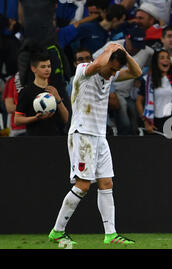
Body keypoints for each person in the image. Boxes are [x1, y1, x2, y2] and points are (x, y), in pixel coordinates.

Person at [48, 43, 142, 245]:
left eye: (116, 70)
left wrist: (123, 52)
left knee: (106, 183)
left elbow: (137, 72)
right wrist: (109, 48)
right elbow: (96, 65)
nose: (113, 74)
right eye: (112, 68)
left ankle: (111, 234)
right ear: (105, 61)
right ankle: (57, 231)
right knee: (82, 186)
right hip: (82, 134)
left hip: (100, 136)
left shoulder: (110, 74)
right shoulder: (84, 71)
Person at [93, 27, 154, 135]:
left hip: (129, 93)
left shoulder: (147, 51)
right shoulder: (113, 46)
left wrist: (141, 78)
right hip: (111, 89)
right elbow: (94, 61)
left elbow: (155, 64)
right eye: (134, 45)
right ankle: (120, 137)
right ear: (127, 38)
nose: (136, 49)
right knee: (125, 119)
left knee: (134, 117)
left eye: (139, 46)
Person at [14, 52, 69, 136]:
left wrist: (58, 98)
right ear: (33, 69)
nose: (47, 69)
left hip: (57, 138)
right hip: (36, 139)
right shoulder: (26, 91)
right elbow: (17, 120)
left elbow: (66, 119)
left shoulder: (56, 88)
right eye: (43, 67)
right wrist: (35, 118)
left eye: (49, 66)